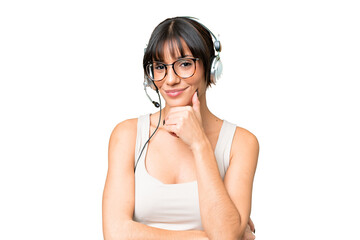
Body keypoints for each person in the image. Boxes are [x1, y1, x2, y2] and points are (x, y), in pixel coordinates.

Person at [102, 16, 259, 240]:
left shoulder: (241, 143)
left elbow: (224, 236)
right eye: (160, 67)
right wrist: (205, 237)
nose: (171, 79)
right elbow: (116, 233)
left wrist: (199, 144)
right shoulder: (127, 135)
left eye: (185, 64)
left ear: (212, 68)